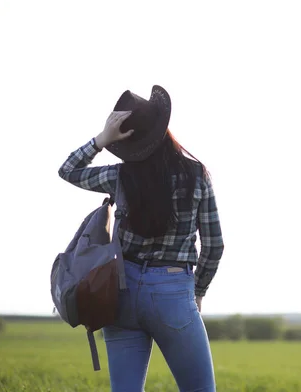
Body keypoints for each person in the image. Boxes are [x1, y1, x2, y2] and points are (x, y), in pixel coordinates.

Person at [58, 85, 224, 392]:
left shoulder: (120, 176)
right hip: (173, 293)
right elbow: (214, 245)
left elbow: (68, 170)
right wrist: (198, 290)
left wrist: (101, 140)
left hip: (121, 292)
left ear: (129, 142)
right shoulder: (195, 175)